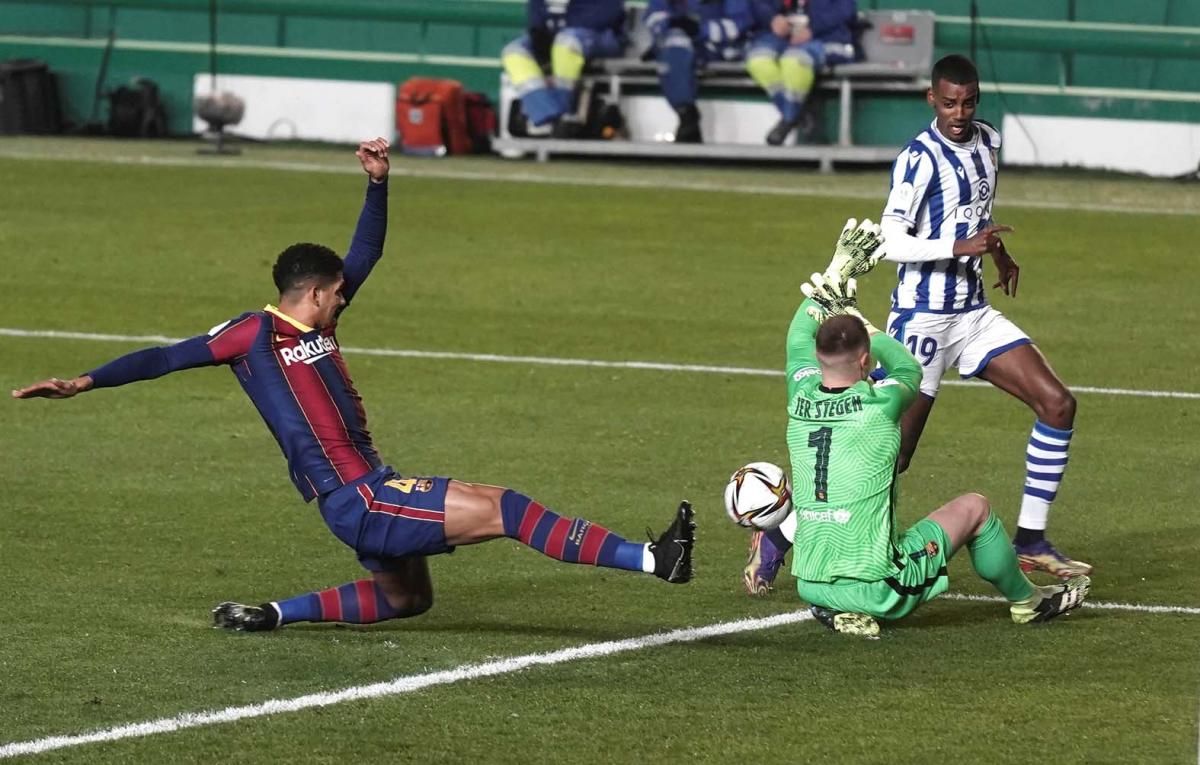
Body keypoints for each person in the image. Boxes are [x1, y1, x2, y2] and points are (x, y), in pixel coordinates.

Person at [11, 138, 696, 632]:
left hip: (362, 491)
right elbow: (165, 358)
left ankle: (273, 612)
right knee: (507, 507)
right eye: (338, 296)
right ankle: (652, 558)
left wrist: (377, 184)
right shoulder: (252, 335)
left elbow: (363, 254)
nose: (346, 302)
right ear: (313, 293)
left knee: (407, 602)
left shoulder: (315, 323)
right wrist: (84, 381)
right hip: (359, 496)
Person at [743, 54, 1090, 596]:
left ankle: (1030, 539)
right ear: (932, 99)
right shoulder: (918, 159)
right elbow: (890, 241)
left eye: (969, 102)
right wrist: (958, 246)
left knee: (1058, 404)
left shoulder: (989, 142)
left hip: (972, 313)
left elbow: (973, 217)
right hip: (921, 320)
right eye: (949, 102)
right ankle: (780, 537)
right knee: (892, 456)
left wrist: (996, 254)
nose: (960, 112)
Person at [775, 219, 1089, 637]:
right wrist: (859, 319)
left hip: (810, 583)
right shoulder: (882, 404)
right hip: (878, 588)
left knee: (856, 533)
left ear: (815, 357)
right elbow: (908, 365)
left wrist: (835, 274)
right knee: (975, 508)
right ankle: (1028, 602)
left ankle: (831, 607)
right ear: (866, 361)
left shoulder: (799, 395)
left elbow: (798, 334)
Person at [644, 0, 770, 143]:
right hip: (682, 45)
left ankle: (688, 120)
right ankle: (687, 115)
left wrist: (700, 29)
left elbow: (739, 23)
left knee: (675, 48)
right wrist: (670, 26)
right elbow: (654, 16)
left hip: (720, 47)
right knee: (675, 45)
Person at [501, 0, 627, 137]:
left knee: (566, 42)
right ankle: (544, 115)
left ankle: (563, 114)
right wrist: (538, 31)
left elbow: (604, 16)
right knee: (513, 52)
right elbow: (536, 10)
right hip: (555, 35)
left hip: (599, 36)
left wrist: (558, 27)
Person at [745, 0, 858, 146]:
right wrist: (772, 18)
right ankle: (800, 113)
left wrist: (812, 28)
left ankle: (788, 120)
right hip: (781, 36)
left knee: (794, 61)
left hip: (826, 37)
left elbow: (845, 10)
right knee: (758, 60)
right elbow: (759, 4)